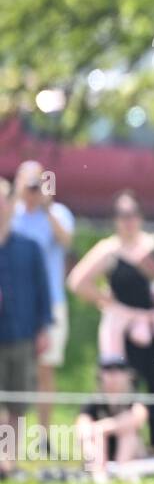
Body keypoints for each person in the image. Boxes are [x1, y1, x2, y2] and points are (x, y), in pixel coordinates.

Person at [66, 189, 154, 455]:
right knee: (126, 388)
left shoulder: (153, 246)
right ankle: (123, 447)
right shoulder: (109, 250)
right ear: (115, 219)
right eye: (123, 215)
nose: (128, 220)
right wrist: (105, 301)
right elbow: (77, 282)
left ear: (141, 216)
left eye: (133, 214)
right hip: (124, 330)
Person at [11, 160, 75, 436]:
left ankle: (44, 435)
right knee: (12, 369)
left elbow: (65, 242)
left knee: (44, 369)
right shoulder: (10, 214)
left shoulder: (58, 213)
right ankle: (9, 436)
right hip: (14, 305)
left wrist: (46, 205)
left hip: (50, 303)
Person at [0, 177, 52, 479]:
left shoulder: (29, 247)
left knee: (17, 403)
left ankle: (10, 462)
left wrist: (43, 328)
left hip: (21, 334)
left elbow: (43, 292)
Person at [75, 359, 149, 482]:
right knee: (94, 438)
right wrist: (97, 432)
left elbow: (138, 417)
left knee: (129, 434)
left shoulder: (132, 398)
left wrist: (103, 427)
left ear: (127, 375)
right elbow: (82, 426)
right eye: (108, 371)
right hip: (100, 449)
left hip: (129, 453)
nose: (113, 376)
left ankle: (121, 472)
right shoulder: (95, 400)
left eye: (118, 371)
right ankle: (99, 474)